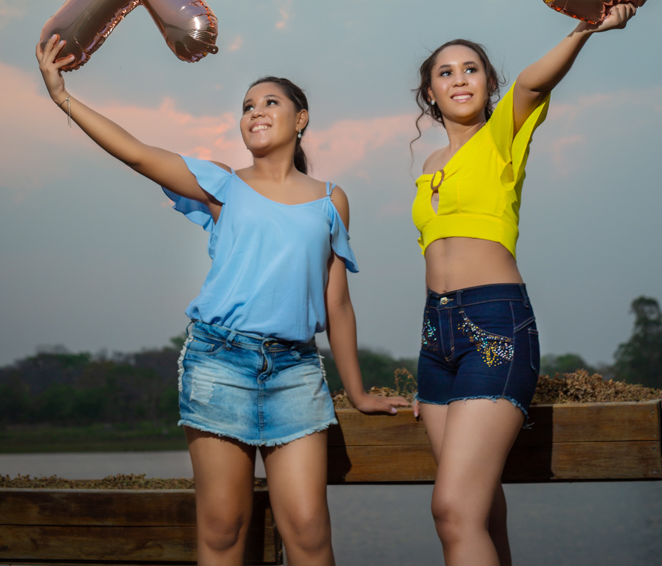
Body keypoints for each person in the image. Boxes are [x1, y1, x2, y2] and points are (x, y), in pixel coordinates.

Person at [36, 33, 406, 566]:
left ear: (301, 119)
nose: (255, 113)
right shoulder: (223, 186)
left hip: (296, 372)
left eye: (270, 102)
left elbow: (338, 305)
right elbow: (136, 153)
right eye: (247, 107)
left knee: (308, 531)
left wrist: (358, 392)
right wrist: (62, 97)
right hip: (218, 363)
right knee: (224, 528)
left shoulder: (331, 200)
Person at [410, 6, 636, 566]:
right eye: (445, 72)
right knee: (481, 508)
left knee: (451, 511)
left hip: (494, 324)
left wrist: (585, 29)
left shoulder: (501, 135)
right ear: (430, 93)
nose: (459, 79)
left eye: (471, 69)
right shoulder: (429, 163)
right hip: (436, 336)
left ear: (490, 84)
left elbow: (535, 81)